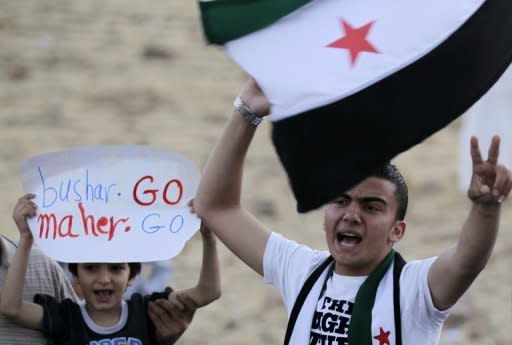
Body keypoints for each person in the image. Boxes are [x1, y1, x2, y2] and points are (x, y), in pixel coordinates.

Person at [194, 78, 512, 345]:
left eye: (371, 207)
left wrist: (486, 208)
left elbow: (467, 260)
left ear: (396, 231)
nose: (351, 214)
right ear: (325, 215)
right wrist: (246, 110)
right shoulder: (301, 270)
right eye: (341, 201)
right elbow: (215, 206)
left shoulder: (413, 288)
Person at [0, 195, 221, 345]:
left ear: (133, 276)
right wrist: (26, 238)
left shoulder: (147, 312)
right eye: (91, 268)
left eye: (116, 269)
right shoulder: (65, 317)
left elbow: (208, 292)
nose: (104, 278)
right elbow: (11, 308)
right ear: (75, 277)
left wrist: (209, 237)